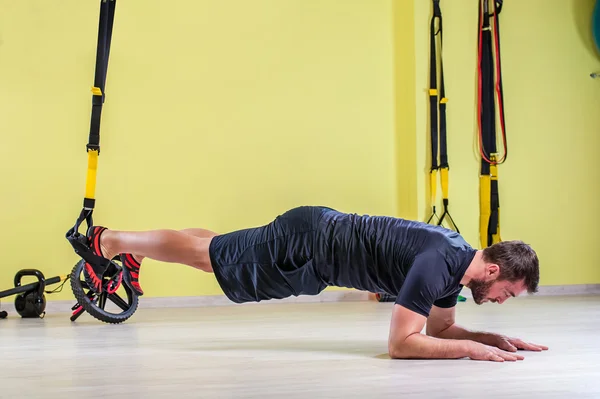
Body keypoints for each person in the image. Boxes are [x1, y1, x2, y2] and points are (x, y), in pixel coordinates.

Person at [82, 205, 548, 362]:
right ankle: (111, 241)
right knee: (211, 258)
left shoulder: (455, 265)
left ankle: (139, 247)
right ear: (492, 271)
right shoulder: (437, 264)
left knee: (218, 251)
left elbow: (441, 331)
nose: (502, 301)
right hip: (307, 244)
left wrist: (493, 339)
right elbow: (403, 344)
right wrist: (473, 352)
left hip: (314, 237)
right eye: (508, 292)